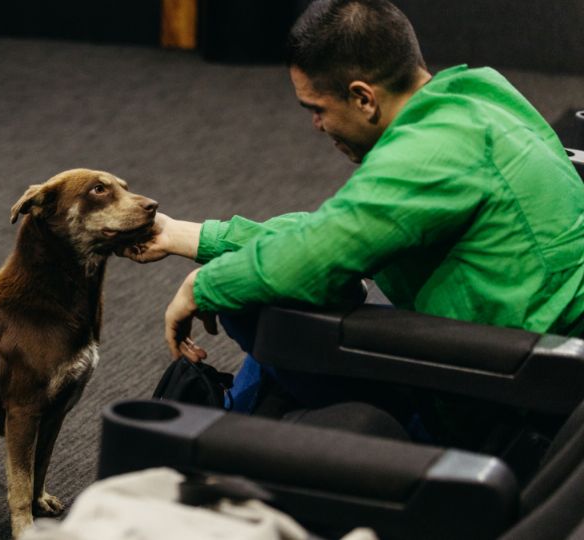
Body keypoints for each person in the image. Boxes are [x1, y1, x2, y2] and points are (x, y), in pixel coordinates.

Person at [124, 0, 584, 420]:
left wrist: (204, 284)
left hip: (506, 395)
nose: (316, 125)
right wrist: (187, 236)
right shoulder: (477, 97)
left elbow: (312, 259)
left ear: (364, 98)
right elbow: (335, 228)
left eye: (318, 108)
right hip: (544, 360)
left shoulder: (427, 156)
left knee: (260, 301)